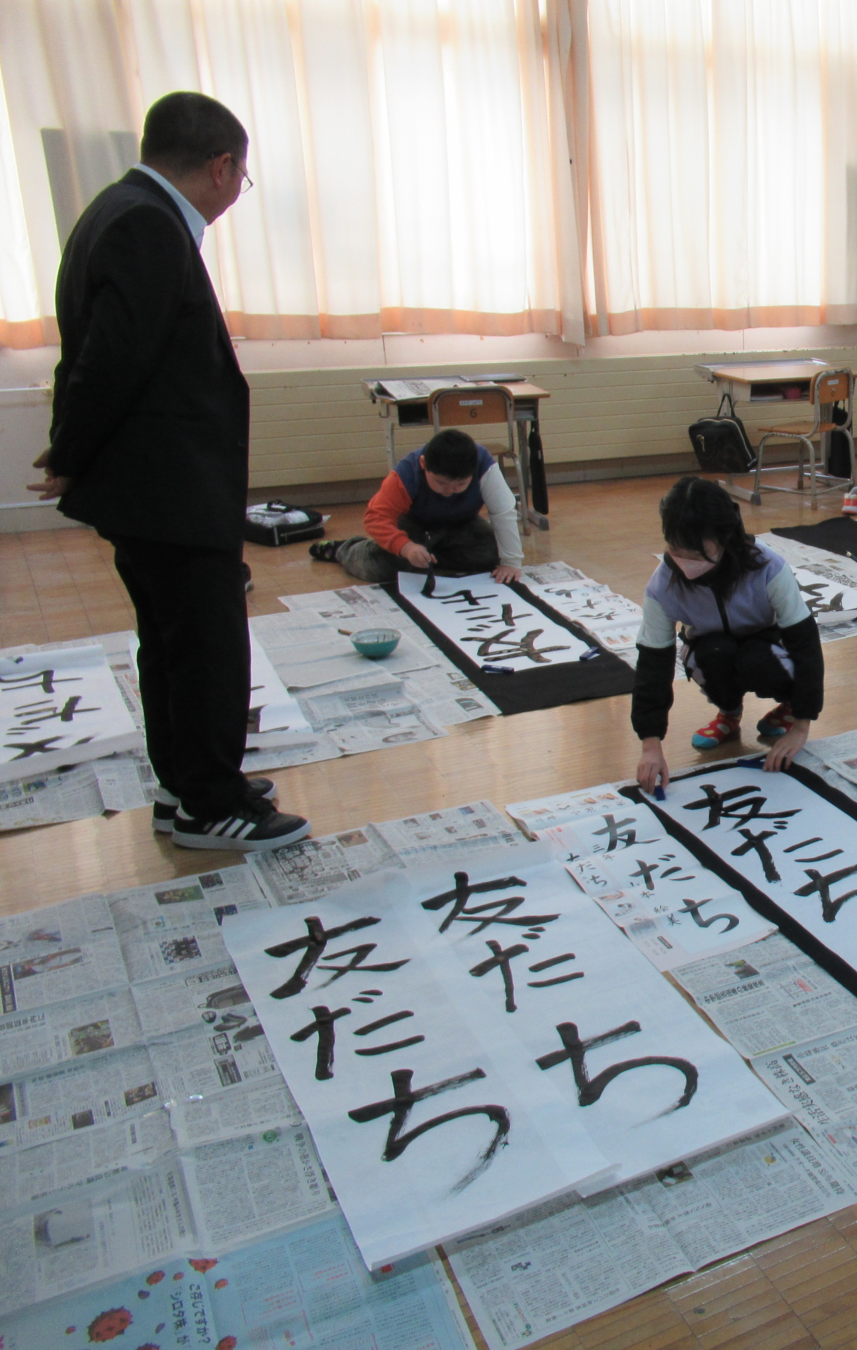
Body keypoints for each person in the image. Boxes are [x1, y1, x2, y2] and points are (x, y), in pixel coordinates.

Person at [32, 91, 309, 852]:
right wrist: (69, 452)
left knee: (172, 641)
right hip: (170, 490)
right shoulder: (148, 227)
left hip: (154, 488)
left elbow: (96, 354)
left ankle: (187, 784)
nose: (233, 194)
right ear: (221, 167)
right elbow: (111, 361)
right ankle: (209, 804)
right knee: (205, 644)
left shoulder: (114, 210)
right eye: (240, 179)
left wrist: (70, 447)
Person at [631, 477, 824, 793]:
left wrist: (802, 725)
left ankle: (789, 708)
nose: (684, 561)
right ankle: (729, 714)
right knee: (712, 654)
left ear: (724, 537)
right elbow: (653, 663)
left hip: (767, 645)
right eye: (675, 548)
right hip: (710, 645)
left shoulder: (767, 567)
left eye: (696, 552)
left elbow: (804, 643)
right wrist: (650, 745)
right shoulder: (662, 585)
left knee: (755, 659)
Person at [310, 429, 521, 583]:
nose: (449, 491)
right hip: (415, 526)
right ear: (423, 465)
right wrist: (405, 547)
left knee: (492, 553)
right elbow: (376, 517)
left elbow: (503, 512)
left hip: (462, 524)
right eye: (441, 483)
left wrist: (511, 562)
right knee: (381, 568)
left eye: (460, 485)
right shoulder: (406, 475)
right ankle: (345, 549)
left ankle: (427, 559)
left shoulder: (484, 466)